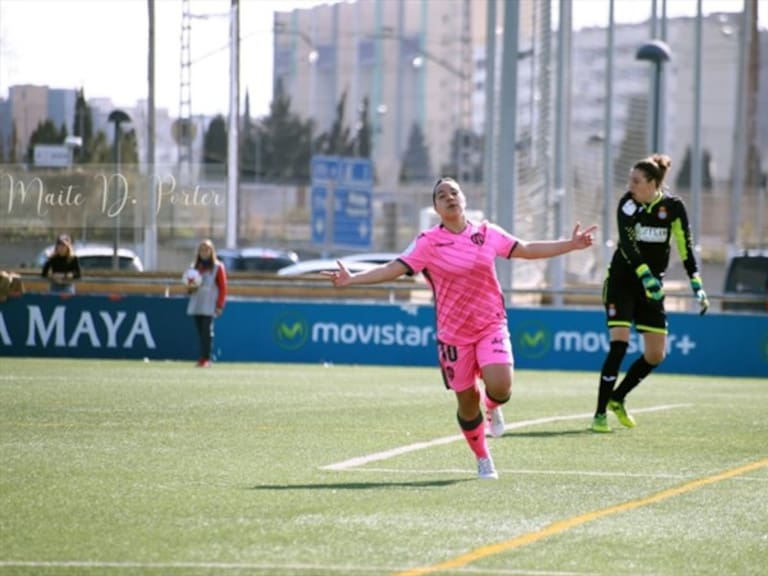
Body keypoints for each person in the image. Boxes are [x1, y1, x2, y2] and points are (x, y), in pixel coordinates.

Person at [325, 177, 597, 479]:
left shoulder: (487, 232)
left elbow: (527, 248)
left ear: (464, 199)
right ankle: (482, 457)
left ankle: (493, 405)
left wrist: (570, 245)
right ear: (436, 208)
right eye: (442, 195)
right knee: (467, 403)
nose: (449, 197)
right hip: (453, 335)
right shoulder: (428, 242)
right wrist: (353, 279)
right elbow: (393, 268)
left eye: (454, 192)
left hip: (491, 323)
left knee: (501, 385)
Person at [592, 153, 709, 433]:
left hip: (651, 287)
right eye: (630, 180)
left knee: (656, 355)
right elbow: (629, 244)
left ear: (653, 183)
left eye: (636, 181)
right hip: (622, 283)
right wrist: (646, 275)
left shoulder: (673, 207)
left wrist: (696, 282)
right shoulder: (628, 204)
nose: (630, 185)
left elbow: (684, 244)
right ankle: (599, 414)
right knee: (619, 345)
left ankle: (618, 398)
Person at [186, 239, 228, 367]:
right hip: (197, 303)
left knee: (207, 331)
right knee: (200, 332)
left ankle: (206, 358)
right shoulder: (194, 267)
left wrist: (220, 305)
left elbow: (223, 287)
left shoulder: (217, 267)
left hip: (209, 304)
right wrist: (192, 285)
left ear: (212, 251)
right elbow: (189, 288)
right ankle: (203, 357)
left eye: (207, 249)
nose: (204, 252)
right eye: (202, 249)